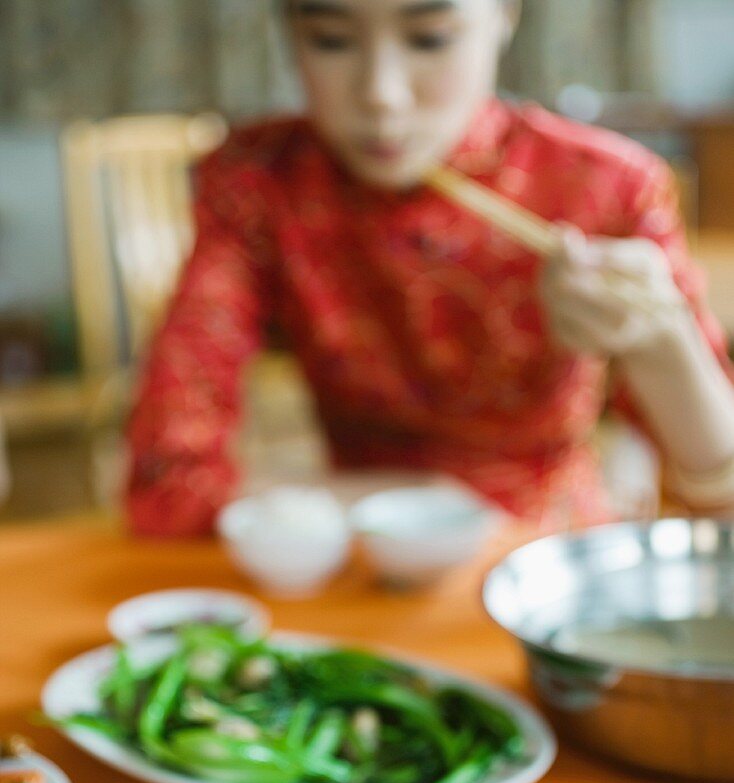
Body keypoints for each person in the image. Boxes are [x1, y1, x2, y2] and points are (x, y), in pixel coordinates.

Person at [126, 0, 734, 537]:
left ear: (505, 14)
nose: (381, 93)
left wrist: (663, 340)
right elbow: (166, 482)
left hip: (546, 564)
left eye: (430, 37)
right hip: (359, 564)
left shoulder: (603, 186)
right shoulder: (258, 182)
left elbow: (723, 497)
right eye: (331, 39)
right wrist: (417, 506)